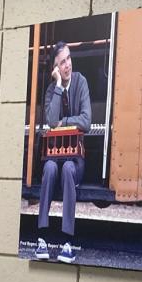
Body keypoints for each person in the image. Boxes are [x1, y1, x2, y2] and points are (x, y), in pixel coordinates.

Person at [36, 41, 91, 263]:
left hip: (74, 160)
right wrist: (58, 85)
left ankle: (67, 242)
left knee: (68, 168)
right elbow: (50, 122)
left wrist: (64, 122)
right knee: (49, 167)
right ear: (56, 68)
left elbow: (86, 121)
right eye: (62, 63)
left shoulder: (81, 82)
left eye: (68, 59)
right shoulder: (52, 90)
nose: (67, 65)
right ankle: (42, 238)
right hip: (54, 158)